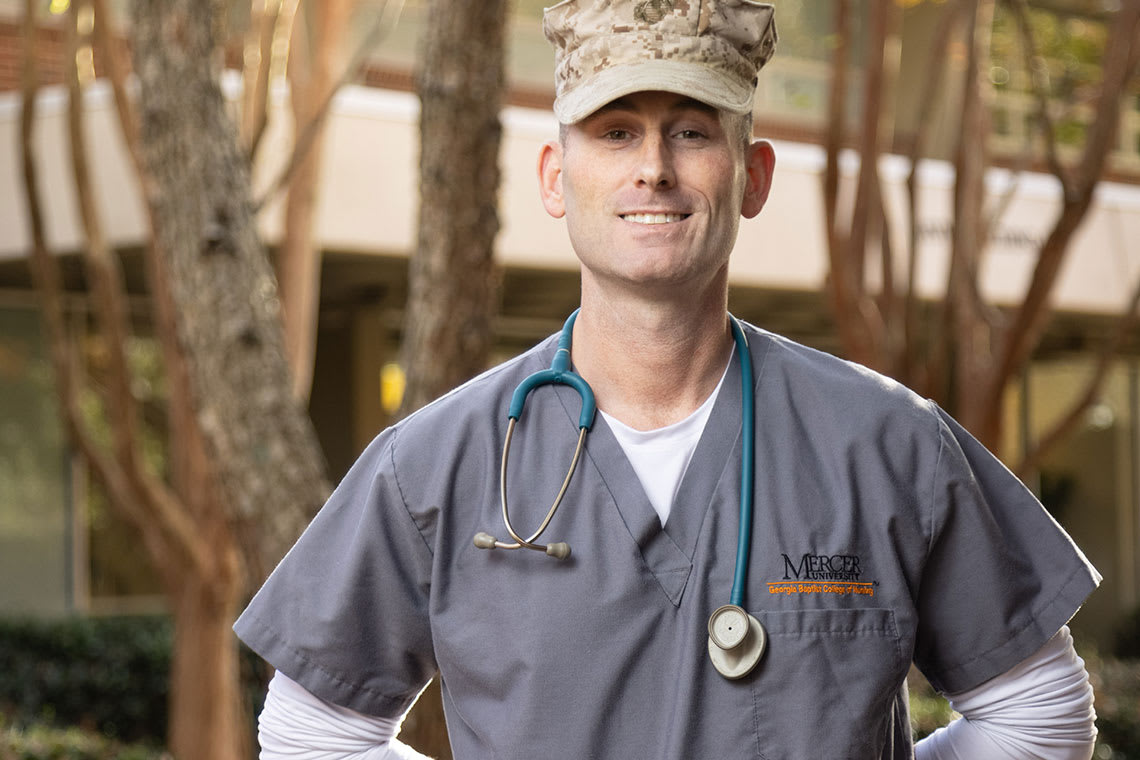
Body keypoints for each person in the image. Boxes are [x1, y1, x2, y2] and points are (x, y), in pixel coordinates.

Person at [235, 1, 1102, 757]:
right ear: (555, 178)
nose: (653, 167)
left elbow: (1040, 714)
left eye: (691, 130)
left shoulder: (886, 442)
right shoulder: (435, 463)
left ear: (752, 177)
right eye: (616, 132)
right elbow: (315, 735)